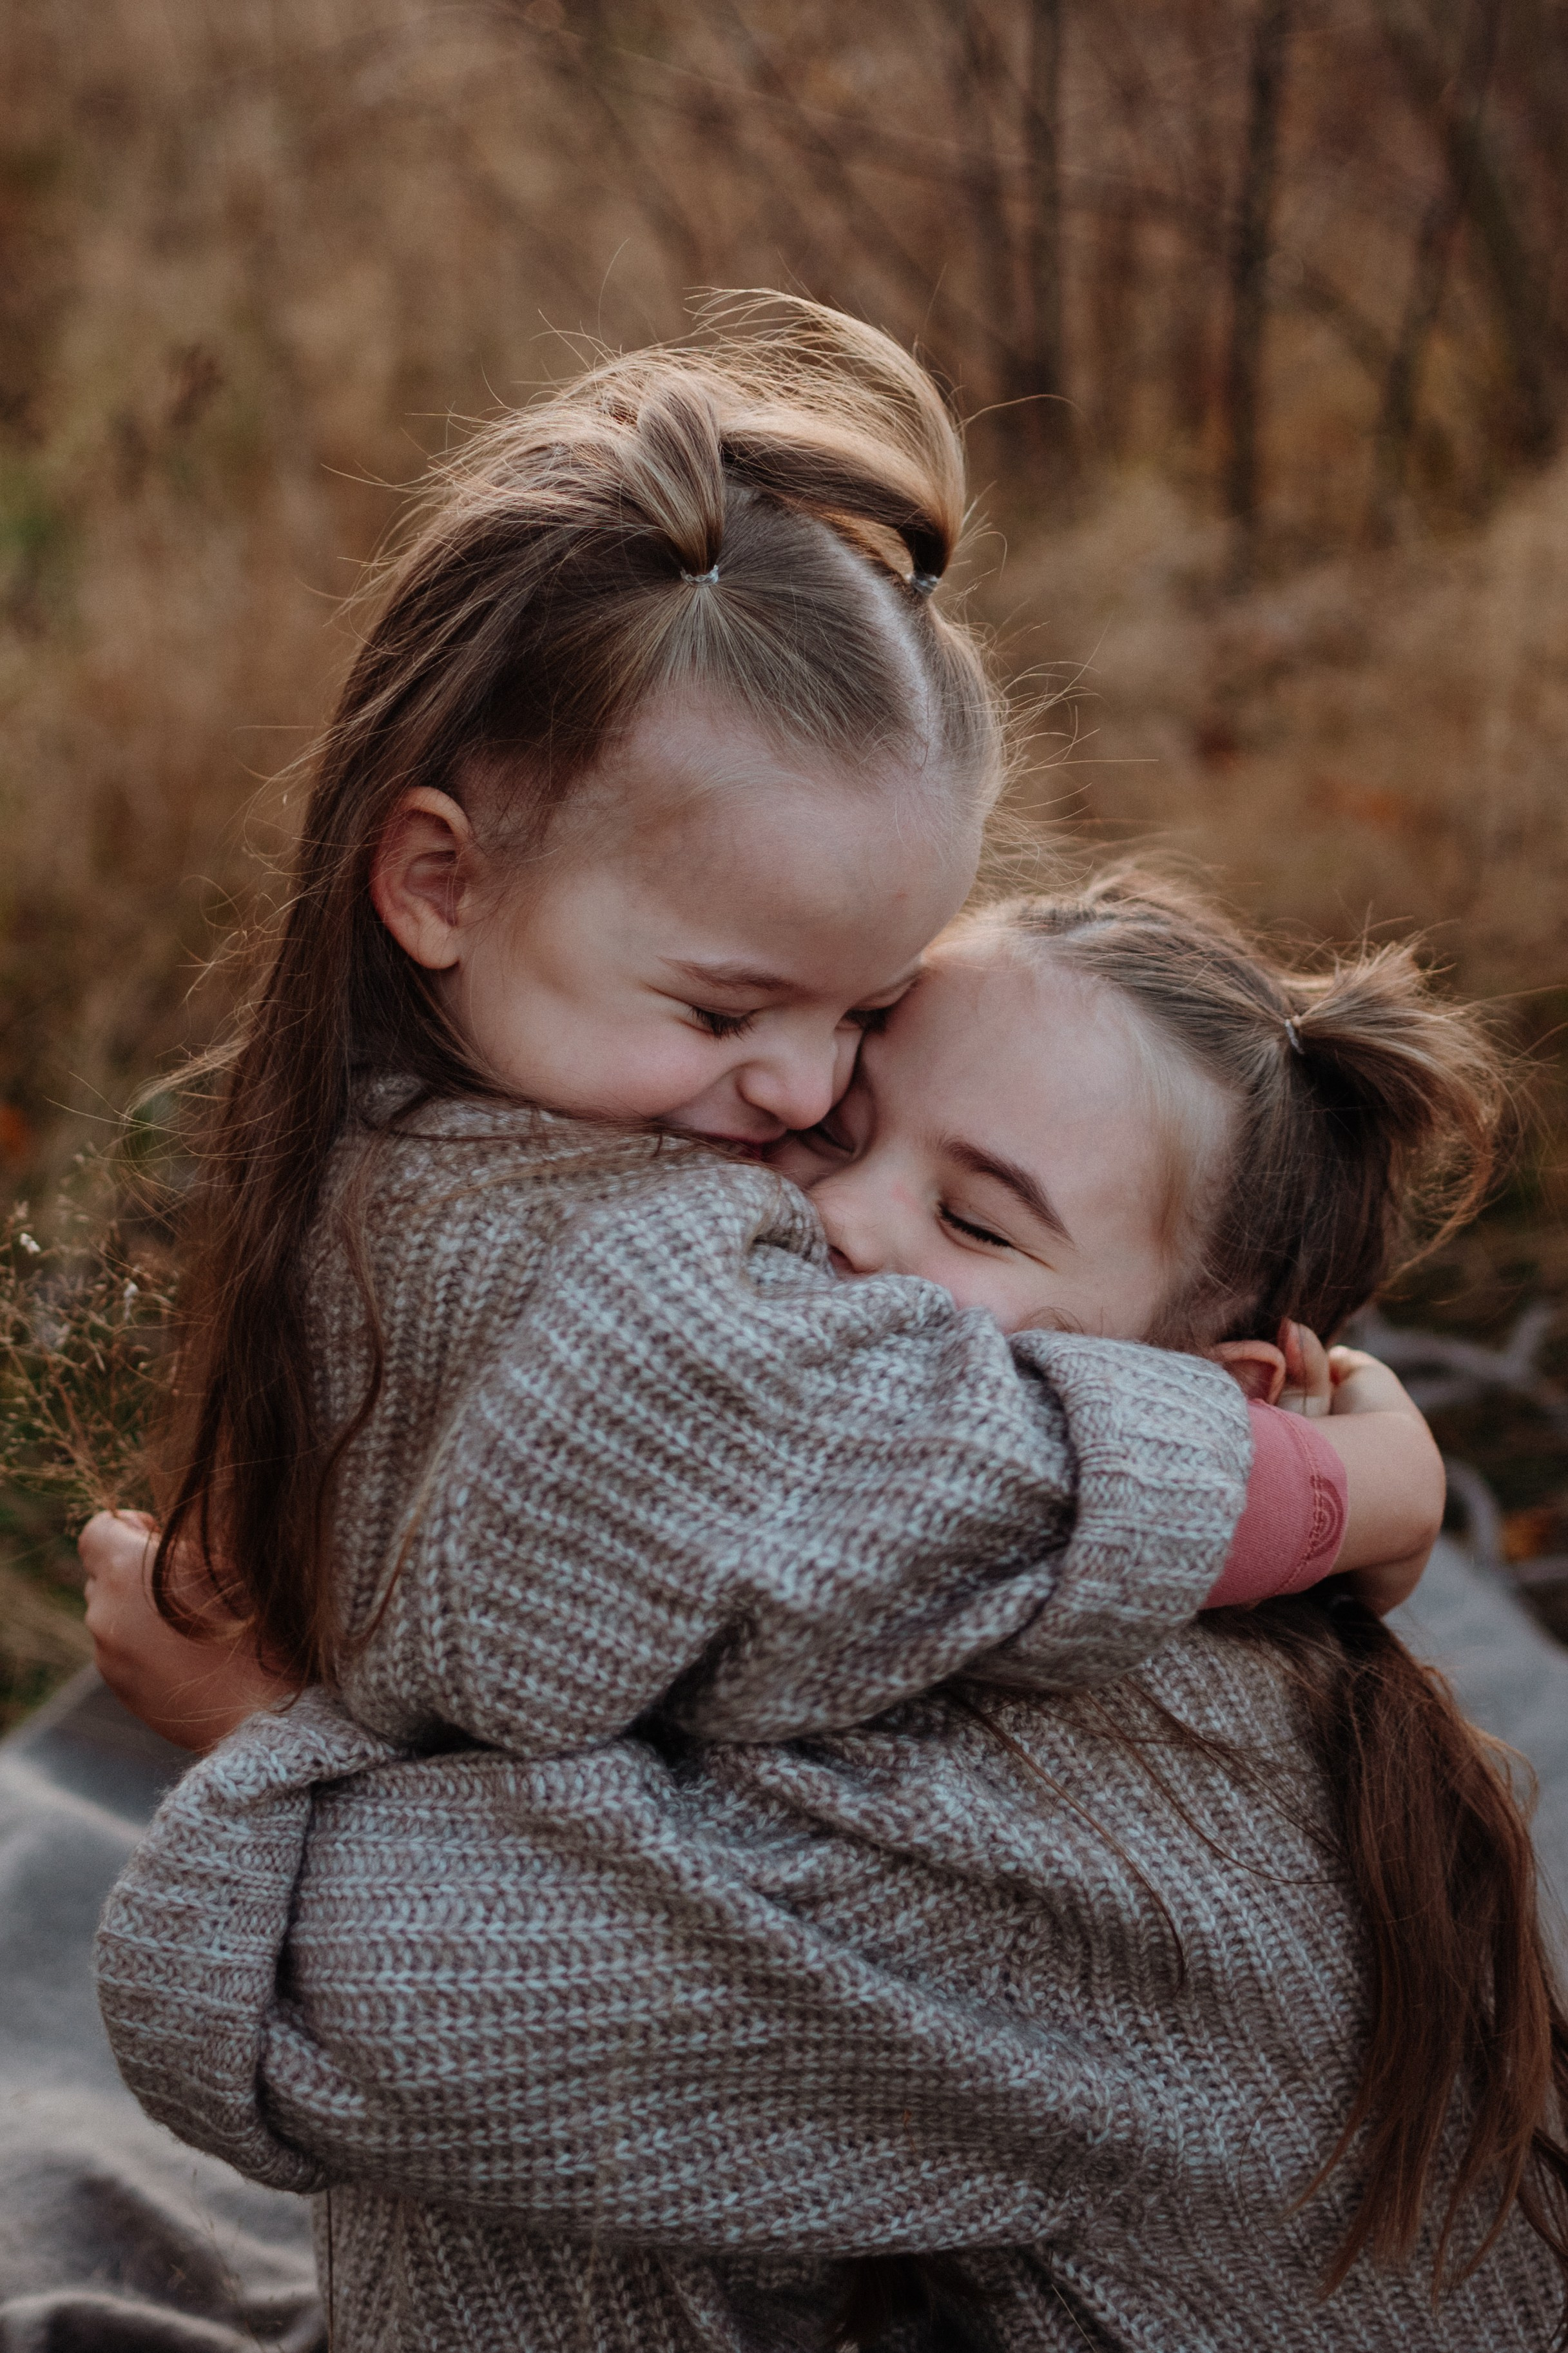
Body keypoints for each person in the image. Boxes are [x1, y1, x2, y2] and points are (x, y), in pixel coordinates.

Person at [95, 875, 1567, 2350]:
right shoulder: (906, 1569)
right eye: (828, 1131)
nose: (834, 1219)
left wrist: (253, 1719)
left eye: (977, 1222)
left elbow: (351, 1992)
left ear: (1216, 1398)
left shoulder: (1092, 1829)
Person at [77, 295, 1432, 1766]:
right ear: (439, 882)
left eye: (861, 1010)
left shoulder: (427, 1127)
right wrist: (1355, 1490)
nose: (798, 1088)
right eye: (723, 1007)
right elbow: (934, 1465)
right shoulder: (621, 1285)